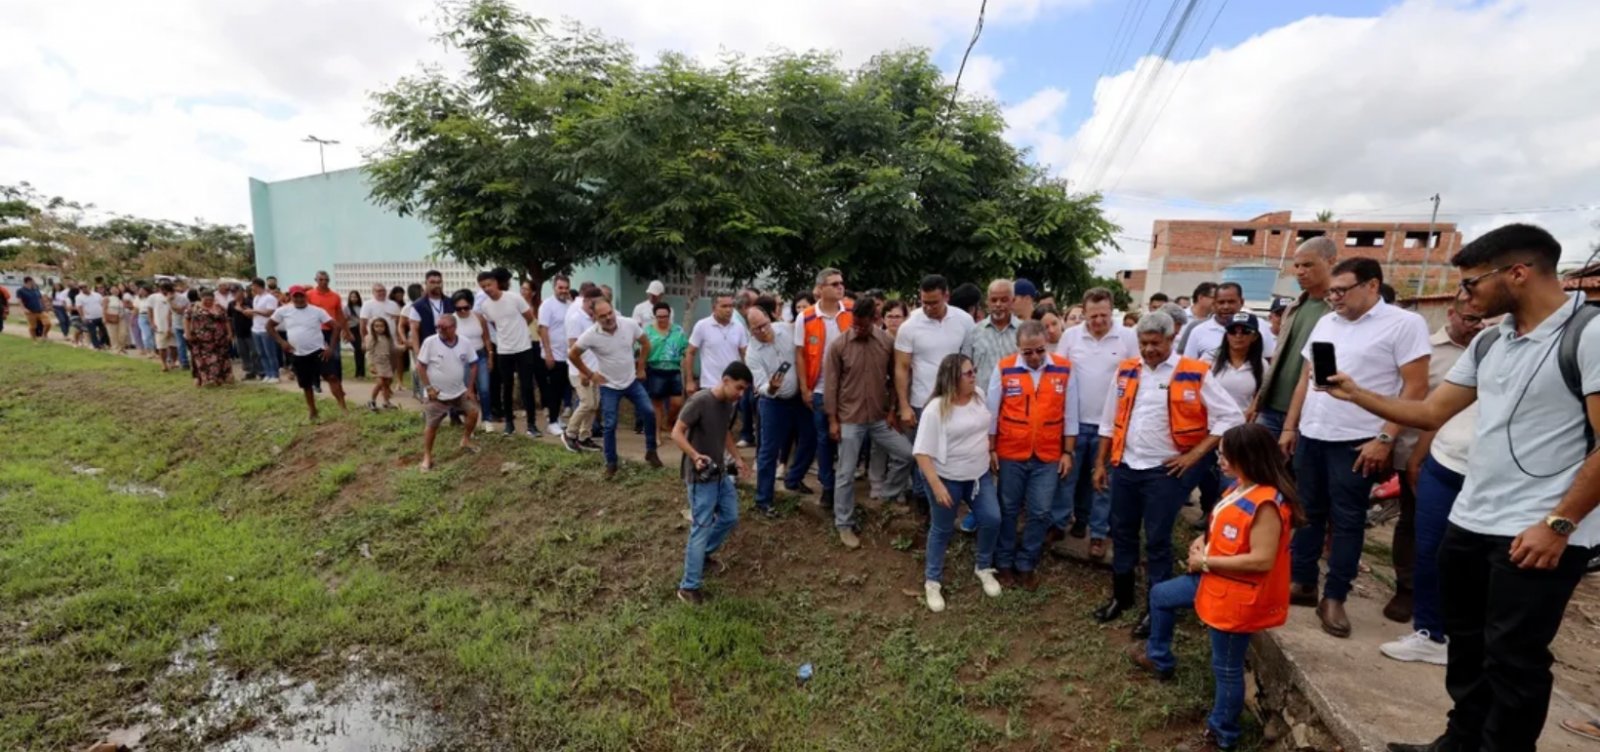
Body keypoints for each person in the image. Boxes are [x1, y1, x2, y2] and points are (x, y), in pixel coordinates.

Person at [1324, 225, 1600, 752]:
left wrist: (1559, 524)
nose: (1464, 297)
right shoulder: (1494, 340)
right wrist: (1357, 394)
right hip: (1472, 517)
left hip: (1537, 533)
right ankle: (1459, 740)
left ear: (1517, 272)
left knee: (1514, 659)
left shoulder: (1589, 335)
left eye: (1471, 284)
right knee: (1468, 646)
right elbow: (1430, 411)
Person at [1280, 257, 1430, 639]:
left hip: (1357, 441)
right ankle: (1302, 582)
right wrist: (1290, 425)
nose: (1334, 298)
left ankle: (1335, 596)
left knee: (1346, 521)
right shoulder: (1326, 321)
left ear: (1372, 286)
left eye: (1341, 290)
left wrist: (1385, 438)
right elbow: (1305, 378)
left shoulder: (1404, 324)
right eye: (1331, 291)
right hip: (1312, 434)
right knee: (1307, 512)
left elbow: (1414, 389)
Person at [1131, 424, 1302, 752]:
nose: (1219, 459)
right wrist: (1200, 544)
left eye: (1226, 454)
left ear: (1249, 458)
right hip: (1212, 580)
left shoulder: (1267, 504)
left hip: (1235, 594)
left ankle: (1221, 735)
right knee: (1161, 596)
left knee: (1226, 667)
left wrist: (1207, 563)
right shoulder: (1240, 487)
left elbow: (1262, 560)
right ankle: (1158, 657)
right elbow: (1219, 524)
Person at [1091, 311, 1245, 638]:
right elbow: (1108, 421)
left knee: (1157, 539)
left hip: (1164, 472)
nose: (1148, 350)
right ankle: (1122, 595)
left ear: (1171, 339)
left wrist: (1194, 454)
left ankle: (1155, 606)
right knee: (1122, 532)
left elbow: (1230, 416)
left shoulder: (1193, 372)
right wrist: (1101, 463)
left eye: (1155, 343)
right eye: (1143, 343)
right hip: (1126, 466)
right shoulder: (1127, 370)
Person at [1379, 294, 1486, 667]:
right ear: (1452, 314)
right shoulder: (1438, 350)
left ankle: (1464, 628)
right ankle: (1422, 617)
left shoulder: (1501, 347)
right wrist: (1414, 455)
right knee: (1421, 538)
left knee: (1468, 550)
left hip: (1487, 470)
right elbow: (1432, 411)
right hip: (1436, 458)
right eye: (1470, 317)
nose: (1476, 324)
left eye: (1481, 318)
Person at [988, 320, 1079, 590]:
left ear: (1046, 344)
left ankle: (1026, 563)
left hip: (1048, 455)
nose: (1035, 357)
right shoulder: (1005, 368)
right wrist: (991, 448)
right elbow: (992, 413)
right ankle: (1003, 561)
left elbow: (1070, 414)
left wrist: (1068, 452)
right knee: (1008, 509)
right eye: (1028, 352)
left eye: (1039, 350)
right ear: (1019, 349)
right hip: (1011, 452)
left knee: (1040, 512)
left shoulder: (1063, 368)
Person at [1053, 287, 1141, 557]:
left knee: (1102, 481)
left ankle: (1098, 533)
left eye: (1103, 315)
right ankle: (1059, 523)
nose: (1098, 321)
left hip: (1111, 426)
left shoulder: (1127, 337)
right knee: (1068, 478)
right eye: (1093, 316)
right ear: (1085, 312)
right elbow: (1059, 375)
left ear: (1111, 311)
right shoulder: (1070, 336)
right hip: (1075, 423)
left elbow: (1137, 376)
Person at [916, 353, 1004, 611]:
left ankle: (983, 566)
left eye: (973, 370)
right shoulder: (936, 408)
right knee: (942, 529)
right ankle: (932, 581)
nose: (974, 375)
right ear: (953, 378)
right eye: (968, 372)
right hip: (948, 478)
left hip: (978, 475)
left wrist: (990, 450)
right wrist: (936, 485)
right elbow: (921, 452)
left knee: (992, 519)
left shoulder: (978, 395)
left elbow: (984, 427)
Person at [827, 296, 914, 548]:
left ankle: (887, 496)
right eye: (855, 324)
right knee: (845, 473)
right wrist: (833, 421)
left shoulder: (887, 342)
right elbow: (831, 385)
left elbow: (895, 378)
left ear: (875, 321)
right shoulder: (839, 345)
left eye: (863, 325)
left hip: (878, 417)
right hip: (850, 419)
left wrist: (892, 410)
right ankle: (844, 524)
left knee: (907, 454)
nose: (858, 329)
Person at [674, 362, 754, 605]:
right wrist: (695, 456)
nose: (741, 394)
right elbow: (676, 433)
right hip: (700, 477)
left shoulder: (728, 405)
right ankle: (688, 587)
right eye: (739, 387)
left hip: (719, 474)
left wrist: (738, 459)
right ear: (726, 380)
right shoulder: (700, 401)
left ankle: (702, 555)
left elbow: (725, 433)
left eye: (744, 390)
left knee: (730, 516)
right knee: (701, 527)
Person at [896, 275, 976, 513]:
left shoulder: (964, 321)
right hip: (922, 401)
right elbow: (901, 368)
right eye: (924, 303)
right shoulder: (910, 326)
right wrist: (904, 405)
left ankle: (948, 497)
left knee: (948, 451)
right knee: (924, 451)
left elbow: (969, 361)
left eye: (934, 302)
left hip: (954, 399)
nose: (928, 308)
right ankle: (922, 498)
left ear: (946, 296)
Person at [1250, 237, 1337, 435]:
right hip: (1272, 407)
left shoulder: (1338, 311)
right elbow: (1279, 358)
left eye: (1308, 265)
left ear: (1331, 262)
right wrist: (1257, 403)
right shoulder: (1293, 308)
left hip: (1310, 411)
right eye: (1296, 265)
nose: (1300, 272)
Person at [570, 298, 662, 477]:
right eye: (602, 316)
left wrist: (641, 366)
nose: (608, 318)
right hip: (609, 385)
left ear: (614, 311)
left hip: (631, 381)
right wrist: (590, 374)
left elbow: (646, 343)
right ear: (595, 317)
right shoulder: (590, 334)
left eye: (610, 313)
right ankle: (611, 463)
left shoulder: (629, 324)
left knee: (649, 412)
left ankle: (651, 451)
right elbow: (573, 354)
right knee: (610, 424)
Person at [746, 306, 811, 516]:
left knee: (811, 438)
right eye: (756, 329)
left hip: (799, 398)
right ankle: (763, 500)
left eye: (764, 325)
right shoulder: (752, 352)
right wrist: (772, 388)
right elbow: (761, 384)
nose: (762, 331)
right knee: (768, 451)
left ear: (769, 318)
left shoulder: (786, 330)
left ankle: (793, 479)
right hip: (773, 403)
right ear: (750, 330)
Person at [795, 268, 852, 508]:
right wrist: (805, 388)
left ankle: (844, 486)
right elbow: (799, 354)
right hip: (819, 389)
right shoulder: (806, 317)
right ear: (820, 289)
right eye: (834, 284)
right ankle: (828, 487)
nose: (840, 287)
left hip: (849, 390)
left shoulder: (850, 311)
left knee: (848, 439)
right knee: (824, 439)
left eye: (841, 283)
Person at [476, 269, 540, 438]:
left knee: (527, 387)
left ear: (496, 283)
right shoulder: (485, 306)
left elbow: (529, 317)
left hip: (524, 348)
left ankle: (532, 424)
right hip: (503, 350)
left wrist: (518, 331)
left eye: (489, 284)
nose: (487, 289)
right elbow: (495, 324)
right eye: (483, 287)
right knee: (507, 387)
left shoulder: (514, 298)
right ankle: (509, 424)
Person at [269, 286, 344, 421]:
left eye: (301, 296)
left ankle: (343, 408)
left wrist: (331, 348)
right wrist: (282, 342)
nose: (299, 299)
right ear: (290, 297)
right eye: (295, 296)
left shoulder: (316, 311)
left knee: (332, 376)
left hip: (319, 351)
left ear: (306, 296)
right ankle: (313, 411)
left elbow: (336, 326)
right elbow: (269, 326)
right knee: (306, 384)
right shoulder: (283, 311)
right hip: (298, 353)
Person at [417, 313, 480, 471]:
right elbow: (420, 366)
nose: (440, 330)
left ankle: (465, 439)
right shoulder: (430, 342)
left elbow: (474, 364)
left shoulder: (465, 342)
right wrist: (429, 388)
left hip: (459, 391)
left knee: (473, 412)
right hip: (437, 395)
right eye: (437, 327)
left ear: (454, 327)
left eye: (443, 327)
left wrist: (470, 388)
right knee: (432, 426)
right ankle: (427, 456)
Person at [870, 299, 912, 499]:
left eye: (898, 316)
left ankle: (899, 485)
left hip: (906, 397)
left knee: (903, 443)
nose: (894, 320)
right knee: (879, 444)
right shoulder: (876, 340)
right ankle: (876, 482)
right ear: (883, 318)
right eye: (890, 316)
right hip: (881, 400)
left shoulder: (910, 339)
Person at [1182, 283, 1278, 362]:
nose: (1226, 307)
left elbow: (1269, 360)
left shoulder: (1260, 326)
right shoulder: (1198, 331)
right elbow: (1188, 367)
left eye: (1231, 302)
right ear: (1214, 304)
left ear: (1241, 302)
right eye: (1221, 302)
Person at [562, 287, 604, 451]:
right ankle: (570, 433)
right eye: (594, 303)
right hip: (579, 370)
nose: (597, 306)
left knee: (594, 405)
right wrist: (582, 371)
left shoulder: (594, 318)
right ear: (586, 301)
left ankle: (584, 437)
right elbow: (573, 346)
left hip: (595, 369)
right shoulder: (576, 318)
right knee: (587, 403)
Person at [685, 294, 750, 398]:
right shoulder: (702, 325)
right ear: (714, 308)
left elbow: (745, 354)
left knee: (730, 414)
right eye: (724, 306)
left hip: (732, 386)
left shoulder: (739, 327)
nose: (728, 310)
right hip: (709, 385)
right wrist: (689, 380)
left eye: (731, 306)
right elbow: (690, 352)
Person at [961, 279, 1020, 390]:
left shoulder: (1023, 331)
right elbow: (965, 368)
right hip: (982, 400)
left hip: (1015, 400)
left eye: (1004, 300)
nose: (998, 304)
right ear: (987, 302)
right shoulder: (974, 332)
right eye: (994, 300)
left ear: (1013, 301)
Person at [305, 271, 351, 401]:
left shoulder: (335, 296)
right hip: (316, 331)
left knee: (335, 357)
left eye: (326, 280)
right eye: (321, 279)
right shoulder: (309, 295)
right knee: (316, 357)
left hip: (332, 330)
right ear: (316, 280)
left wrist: (346, 331)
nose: (324, 282)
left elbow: (340, 314)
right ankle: (316, 383)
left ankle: (339, 386)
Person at [537, 275, 574, 437]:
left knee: (563, 390)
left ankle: (557, 418)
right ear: (554, 288)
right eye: (560, 288)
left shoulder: (570, 305)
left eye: (566, 288)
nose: (564, 291)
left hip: (567, 355)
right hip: (553, 355)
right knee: (554, 390)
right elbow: (543, 329)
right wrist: (549, 354)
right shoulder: (547, 305)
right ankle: (552, 422)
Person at [185, 289, 233, 387]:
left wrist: (229, 333)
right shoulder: (193, 308)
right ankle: (207, 379)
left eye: (210, 300)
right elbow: (186, 320)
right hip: (200, 339)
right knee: (205, 360)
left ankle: (221, 378)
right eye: (206, 300)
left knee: (220, 358)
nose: (208, 302)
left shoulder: (219, 308)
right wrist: (188, 333)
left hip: (219, 338)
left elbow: (226, 321)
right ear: (201, 298)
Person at [244, 279, 281, 384]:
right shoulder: (256, 297)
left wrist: (253, 311)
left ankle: (275, 374)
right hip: (256, 328)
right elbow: (257, 313)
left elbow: (270, 313)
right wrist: (249, 313)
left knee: (270, 352)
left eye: (253, 286)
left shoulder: (270, 298)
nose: (252, 288)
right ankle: (267, 373)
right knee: (261, 353)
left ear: (257, 286)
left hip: (266, 329)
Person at [364, 315, 399, 410]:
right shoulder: (371, 337)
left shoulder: (388, 337)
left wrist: (403, 347)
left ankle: (386, 402)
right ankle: (372, 401)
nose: (379, 328)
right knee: (380, 383)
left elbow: (393, 349)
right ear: (373, 327)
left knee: (387, 384)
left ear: (385, 327)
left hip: (386, 362)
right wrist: (371, 365)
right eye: (376, 326)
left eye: (381, 326)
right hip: (376, 361)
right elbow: (369, 352)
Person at [150, 282, 176, 371]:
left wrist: (170, 299)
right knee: (161, 346)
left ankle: (173, 362)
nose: (165, 292)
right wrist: (152, 322)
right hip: (160, 325)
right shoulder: (154, 297)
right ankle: (164, 364)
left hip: (174, 325)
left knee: (173, 345)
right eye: (163, 290)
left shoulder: (176, 296)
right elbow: (149, 309)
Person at [18, 277, 49, 342]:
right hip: (30, 311)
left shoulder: (36, 289)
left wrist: (45, 306)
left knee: (48, 323)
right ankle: (34, 340)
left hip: (40, 310)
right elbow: (20, 301)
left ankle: (44, 335)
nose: (34, 283)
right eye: (33, 281)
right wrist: (24, 309)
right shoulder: (21, 291)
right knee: (33, 327)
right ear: (28, 281)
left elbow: (41, 299)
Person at [77, 284, 107, 350]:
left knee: (104, 331)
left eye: (85, 287)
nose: (84, 288)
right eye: (81, 288)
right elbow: (79, 307)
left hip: (100, 316)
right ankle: (97, 346)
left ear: (88, 287)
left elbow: (102, 304)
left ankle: (102, 343)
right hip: (89, 318)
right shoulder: (79, 297)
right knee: (93, 333)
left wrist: (104, 314)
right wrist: (82, 316)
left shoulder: (97, 295)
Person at [346, 290, 366, 379]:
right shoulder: (346, 308)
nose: (354, 298)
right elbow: (343, 320)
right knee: (358, 348)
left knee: (361, 350)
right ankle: (358, 373)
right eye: (352, 297)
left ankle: (361, 373)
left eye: (355, 297)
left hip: (360, 329)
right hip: (352, 329)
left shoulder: (362, 307)